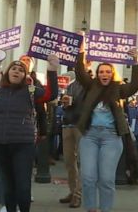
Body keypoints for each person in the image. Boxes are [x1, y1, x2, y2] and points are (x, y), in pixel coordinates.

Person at [0, 54, 59, 212]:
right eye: (13, 69)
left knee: (22, 187)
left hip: (23, 145)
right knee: (8, 187)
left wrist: (52, 70)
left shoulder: (31, 90)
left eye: (21, 70)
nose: (17, 71)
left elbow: (51, 95)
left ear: (25, 75)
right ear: (7, 73)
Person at [75, 38, 138, 212]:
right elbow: (81, 73)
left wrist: (136, 62)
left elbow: (134, 86)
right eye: (102, 72)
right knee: (88, 177)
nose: (105, 74)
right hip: (89, 136)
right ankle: (90, 208)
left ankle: (105, 209)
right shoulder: (91, 86)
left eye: (108, 72)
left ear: (112, 74)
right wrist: (81, 51)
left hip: (111, 137)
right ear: (97, 74)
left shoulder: (118, 88)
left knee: (106, 179)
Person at [59, 76, 87, 208]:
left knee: (83, 161)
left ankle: (78, 195)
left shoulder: (90, 83)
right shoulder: (71, 85)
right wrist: (64, 102)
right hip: (68, 123)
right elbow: (66, 103)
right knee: (69, 160)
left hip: (81, 125)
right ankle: (72, 190)